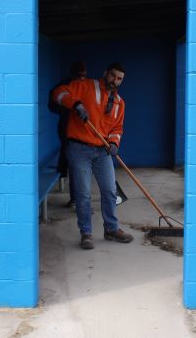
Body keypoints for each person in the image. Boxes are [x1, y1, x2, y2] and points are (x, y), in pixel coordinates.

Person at [51, 62, 133, 250]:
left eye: (119, 79)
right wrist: (75, 104)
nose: (115, 81)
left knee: (110, 191)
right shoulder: (86, 86)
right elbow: (58, 93)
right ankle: (86, 233)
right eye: (113, 75)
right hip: (79, 149)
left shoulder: (120, 103)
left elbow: (116, 128)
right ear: (105, 72)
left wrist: (113, 143)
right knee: (83, 194)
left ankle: (111, 229)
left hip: (102, 152)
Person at [48, 62, 87, 208]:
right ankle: (76, 200)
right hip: (67, 129)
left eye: (84, 75)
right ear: (72, 74)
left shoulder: (87, 86)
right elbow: (51, 105)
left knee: (81, 166)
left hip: (83, 130)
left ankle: (78, 199)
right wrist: (68, 110)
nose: (82, 78)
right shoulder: (63, 86)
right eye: (79, 75)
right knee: (74, 164)